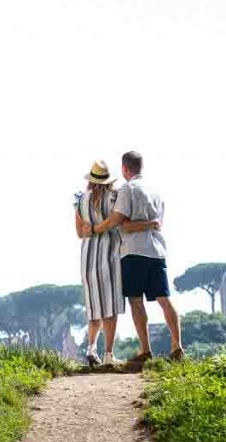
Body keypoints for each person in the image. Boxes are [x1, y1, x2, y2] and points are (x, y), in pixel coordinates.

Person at [86, 151, 183, 363]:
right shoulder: (156, 190)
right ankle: (177, 347)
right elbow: (158, 223)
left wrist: (95, 229)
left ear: (124, 169)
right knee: (164, 300)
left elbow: (121, 223)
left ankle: (145, 350)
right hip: (157, 251)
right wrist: (149, 224)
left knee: (136, 301)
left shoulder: (128, 189)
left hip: (134, 252)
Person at [74, 160, 151, 366]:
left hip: (88, 257)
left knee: (94, 305)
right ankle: (108, 354)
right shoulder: (115, 196)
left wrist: (91, 229)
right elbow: (121, 224)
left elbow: (80, 232)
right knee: (111, 306)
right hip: (111, 255)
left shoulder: (80, 199)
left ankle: (91, 348)